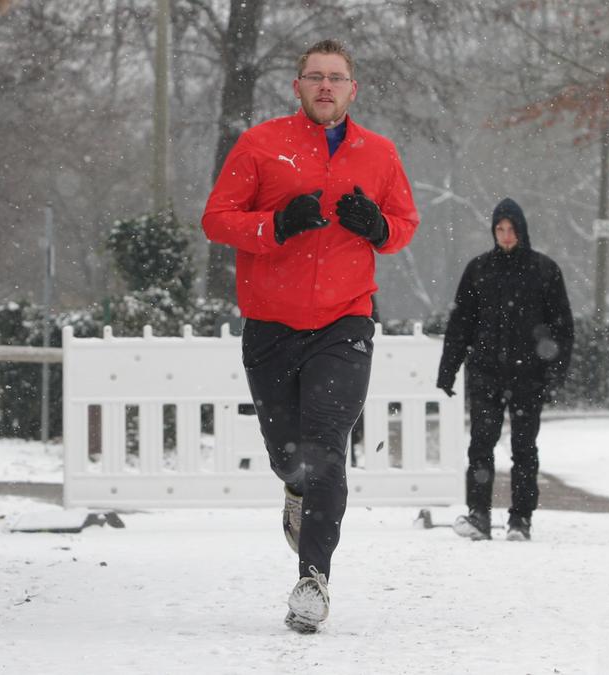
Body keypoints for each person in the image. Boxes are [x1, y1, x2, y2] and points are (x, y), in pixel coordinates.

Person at [202, 39, 419, 632]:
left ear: (354, 89)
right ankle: (294, 490)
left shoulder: (379, 153)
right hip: (271, 324)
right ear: (296, 87)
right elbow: (216, 218)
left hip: (345, 320)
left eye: (337, 77)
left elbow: (404, 224)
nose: (326, 86)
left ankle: (313, 580)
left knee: (326, 444)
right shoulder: (261, 146)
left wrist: (377, 226)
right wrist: (276, 224)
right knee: (289, 458)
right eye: (315, 77)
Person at [436, 197, 574, 542]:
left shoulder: (544, 270)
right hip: (486, 373)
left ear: (522, 230)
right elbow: (460, 325)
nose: (506, 235)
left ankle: (520, 519)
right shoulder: (479, 270)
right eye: (500, 229)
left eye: (511, 229)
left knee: (524, 448)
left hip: (529, 377)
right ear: (493, 231)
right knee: (481, 445)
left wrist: (554, 373)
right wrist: (448, 370)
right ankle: (479, 515)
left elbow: (562, 328)